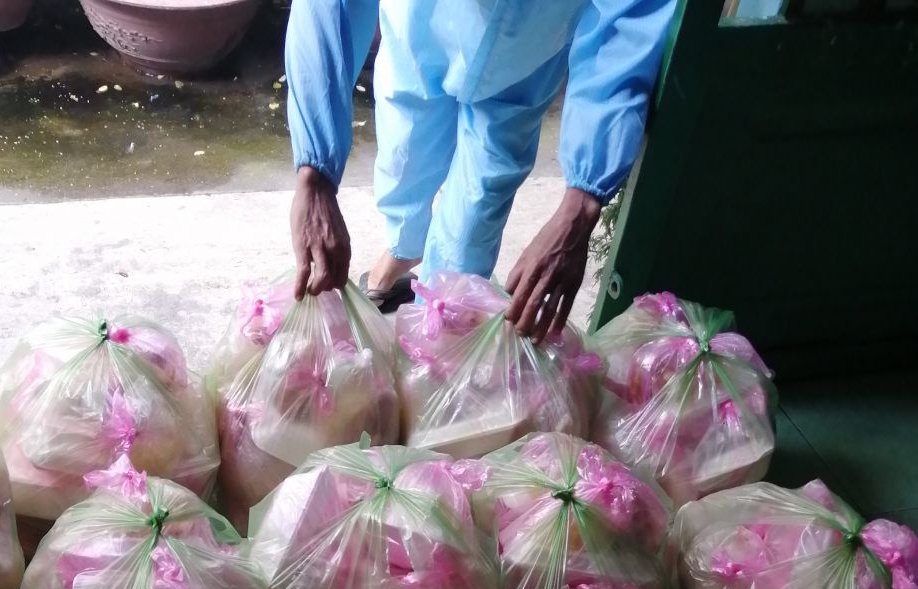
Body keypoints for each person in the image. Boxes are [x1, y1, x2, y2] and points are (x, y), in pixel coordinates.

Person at [285, 0, 678, 341]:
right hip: (422, 27)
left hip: (526, 54)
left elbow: (627, 20)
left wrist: (583, 201)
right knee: (404, 156)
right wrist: (314, 173)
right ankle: (403, 248)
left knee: (475, 217)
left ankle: (435, 328)